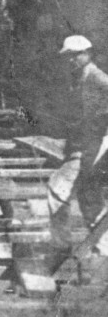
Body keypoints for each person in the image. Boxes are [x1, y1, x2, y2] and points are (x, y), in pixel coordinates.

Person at [48, 35, 108, 267]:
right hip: (85, 145)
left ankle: (61, 246)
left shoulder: (98, 78)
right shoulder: (79, 78)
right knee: (88, 196)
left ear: (88, 54)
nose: (71, 60)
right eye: (68, 57)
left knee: (57, 188)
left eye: (76, 55)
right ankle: (103, 250)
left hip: (97, 145)